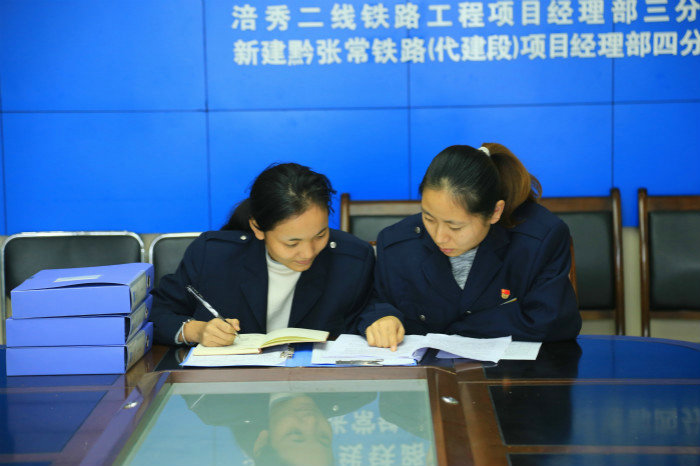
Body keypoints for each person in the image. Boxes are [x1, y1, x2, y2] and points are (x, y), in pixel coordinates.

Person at [358, 143, 581, 349]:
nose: (439, 237)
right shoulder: (397, 243)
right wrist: (382, 317)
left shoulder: (538, 239)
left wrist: (456, 331)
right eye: (428, 218)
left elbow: (553, 322)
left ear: (495, 212)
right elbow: (375, 299)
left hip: (515, 374)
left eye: (455, 227)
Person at [150, 162, 375, 346]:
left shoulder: (352, 260)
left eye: (320, 235)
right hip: (230, 385)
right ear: (258, 228)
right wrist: (195, 331)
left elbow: (371, 313)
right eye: (292, 243)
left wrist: (381, 321)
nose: (308, 252)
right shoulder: (212, 255)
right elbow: (155, 313)